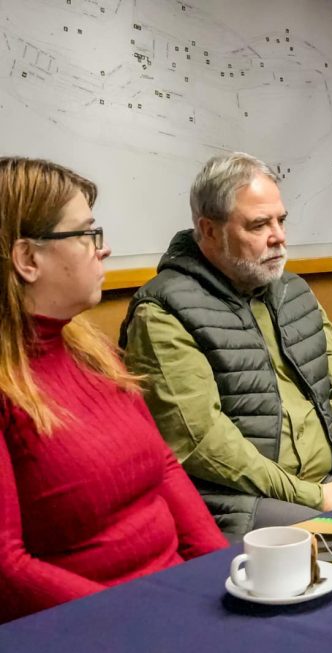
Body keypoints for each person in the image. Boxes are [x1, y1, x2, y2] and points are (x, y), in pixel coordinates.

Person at [120, 152, 332, 539]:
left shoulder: (293, 292)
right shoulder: (163, 310)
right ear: (209, 230)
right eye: (259, 225)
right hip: (245, 500)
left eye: (281, 220)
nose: (279, 236)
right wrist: (311, 494)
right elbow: (201, 440)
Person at [0, 157, 226, 624]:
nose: (100, 250)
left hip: (176, 602)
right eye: (85, 234)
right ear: (27, 259)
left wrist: (221, 574)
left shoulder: (89, 348)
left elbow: (162, 468)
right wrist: (141, 617)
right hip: (97, 626)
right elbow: (8, 568)